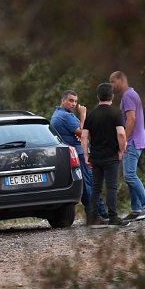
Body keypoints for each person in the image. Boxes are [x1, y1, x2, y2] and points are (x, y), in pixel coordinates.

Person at [50, 90, 108, 220]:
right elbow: (83, 133)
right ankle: (94, 215)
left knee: (91, 183)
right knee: (89, 185)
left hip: (77, 153)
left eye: (75, 101)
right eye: (71, 101)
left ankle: (100, 213)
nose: (74, 104)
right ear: (63, 100)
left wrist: (81, 133)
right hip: (79, 155)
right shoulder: (65, 116)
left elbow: (81, 133)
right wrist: (83, 115)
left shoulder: (60, 114)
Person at [110, 71, 145, 222]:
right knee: (130, 175)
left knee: (129, 175)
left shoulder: (128, 96)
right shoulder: (131, 94)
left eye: (113, 82)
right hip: (137, 140)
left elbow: (131, 119)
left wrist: (125, 140)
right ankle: (136, 209)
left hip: (133, 141)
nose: (112, 85)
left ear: (122, 80)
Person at [81, 83, 126, 227]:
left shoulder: (92, 115)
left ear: (98, 97)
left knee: (96, 188)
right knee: (111, 187)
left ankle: (93, 218)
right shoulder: (116, 113)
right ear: (112, 96)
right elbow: (120, 133)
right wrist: (121, 150)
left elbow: (83, 136)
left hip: (96, 156)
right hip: (111, 156)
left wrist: (86, 156)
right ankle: (113, 218)